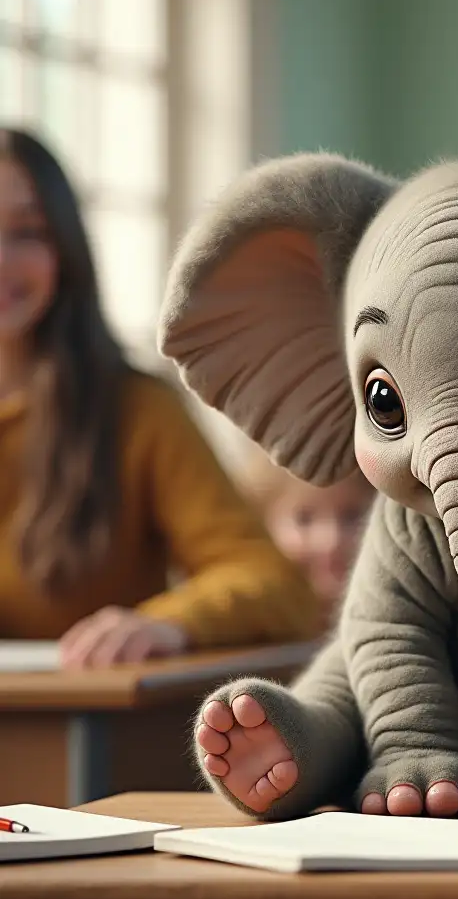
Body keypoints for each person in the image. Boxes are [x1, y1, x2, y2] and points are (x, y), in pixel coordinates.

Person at [0, 127, 322, 667]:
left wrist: (167, 623)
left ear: (66, 249)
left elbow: (272, 583)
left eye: (27, 232)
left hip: (82, 734)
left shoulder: (137, 411)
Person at [239, 446, 377, 628]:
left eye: (351, 515)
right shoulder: (254, 624)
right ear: (261, 525)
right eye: (304, 519)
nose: (330, 541)